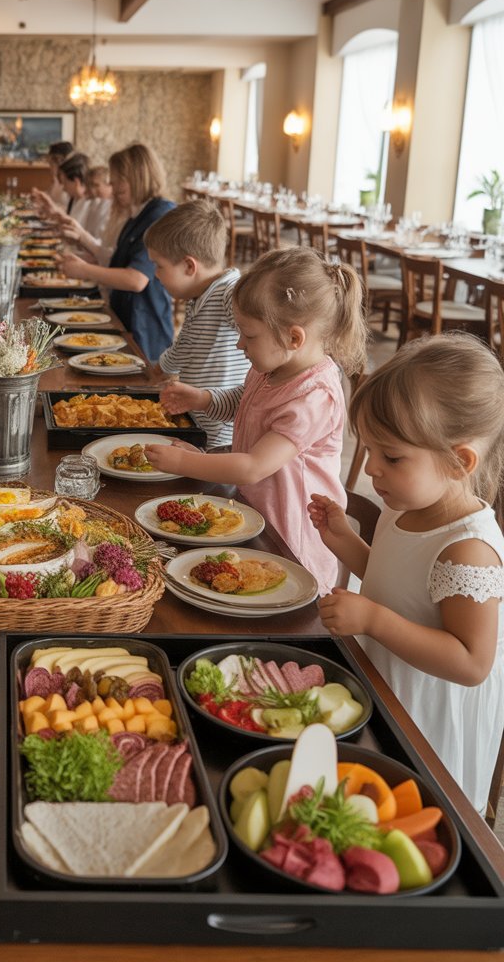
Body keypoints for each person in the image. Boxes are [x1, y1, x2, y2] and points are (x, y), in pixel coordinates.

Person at [308, 333, 504, 814]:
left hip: (427, 715)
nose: (371, 468)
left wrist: (373, 621)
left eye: (391, 456)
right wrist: (346, 542)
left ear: (460, 461)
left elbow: (470, 663)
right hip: (387, 678)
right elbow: (398, 582)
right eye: (370, 449)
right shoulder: (409, 501)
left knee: (408, 809)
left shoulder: (468, 550)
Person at [146, 246, 368, 593]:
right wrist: (204, 398)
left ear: (294, 337)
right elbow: (245, 403)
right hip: (253, 518)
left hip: (289, 541)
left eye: (249, 335)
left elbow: (253, 467)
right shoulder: (269, 367)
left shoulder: (315, 396)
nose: (239, 344)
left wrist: (186, 462)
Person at [143, 200, 250, 448]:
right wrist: (160, 368)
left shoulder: (229, 293)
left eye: (159, 265)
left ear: (189, 266)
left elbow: (258, 331)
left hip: (221, 431)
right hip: (198, 418)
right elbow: (185, 345)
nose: (156, 274)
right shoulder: (199, 294)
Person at [59, 144, 177, 361]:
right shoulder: (137, 213)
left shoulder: (158, 215)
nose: (112, 187)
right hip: (125, 318)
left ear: (137, 176)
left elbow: (136, 279)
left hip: (145, 326)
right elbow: (119, 262)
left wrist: (85, 270)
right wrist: (83, 259)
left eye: (117, 180)